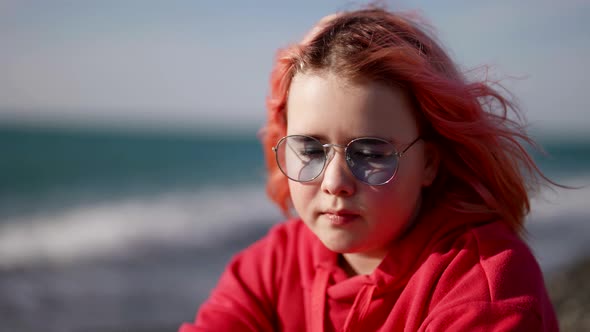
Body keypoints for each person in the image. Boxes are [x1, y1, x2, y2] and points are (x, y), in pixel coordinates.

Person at [179, 7, 559, 331]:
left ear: (428, 162)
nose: (335, 183)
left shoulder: (483, 284)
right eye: (310, 149)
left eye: (371, 153)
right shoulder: (274, 265)